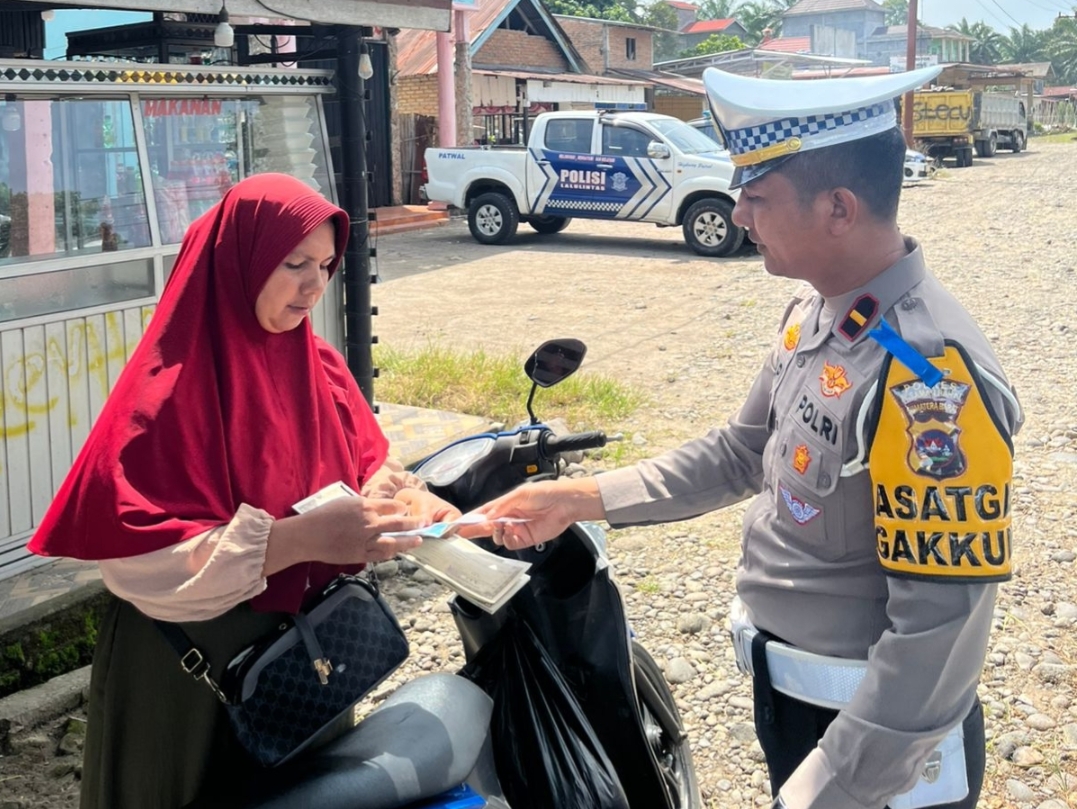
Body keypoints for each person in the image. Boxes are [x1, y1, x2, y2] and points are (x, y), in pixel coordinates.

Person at [477, 66, 1022, 809]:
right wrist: (577, 497)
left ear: (837, 208)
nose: (737, 213)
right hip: (796, 704)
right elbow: (742, 452)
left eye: (757, 196)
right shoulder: (817, 310)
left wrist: (828, 790)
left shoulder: (928, 375)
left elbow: (939, 636)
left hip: (877, 756)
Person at [27, 173, 457, 808]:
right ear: (240, 262)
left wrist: (403, 500)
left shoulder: (317, 364)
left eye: (325, 265)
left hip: (304, 658)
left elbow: (366, 462)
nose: (315, 285)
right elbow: (133, 562)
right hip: (194, 667)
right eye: (294, 264)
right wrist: (297, 541)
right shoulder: (166, 392)